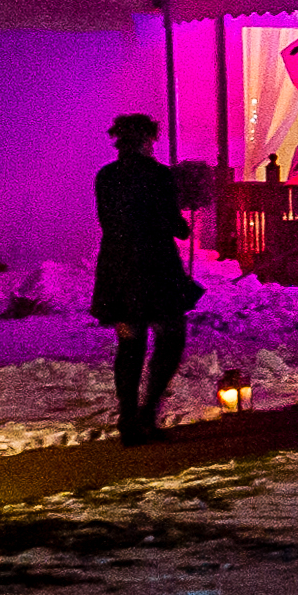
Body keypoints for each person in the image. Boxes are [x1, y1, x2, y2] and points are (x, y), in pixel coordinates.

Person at [91, 113, 202, 444]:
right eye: (152, 140)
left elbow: (108, 220)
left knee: (129, 342)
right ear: (145, 140)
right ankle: (148, 411)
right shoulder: (158, 175)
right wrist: (184, 223)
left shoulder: (106, 176)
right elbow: (172, 223)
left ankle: (127, 418)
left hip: (118, 267)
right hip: (155, 266)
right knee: (171, 337)